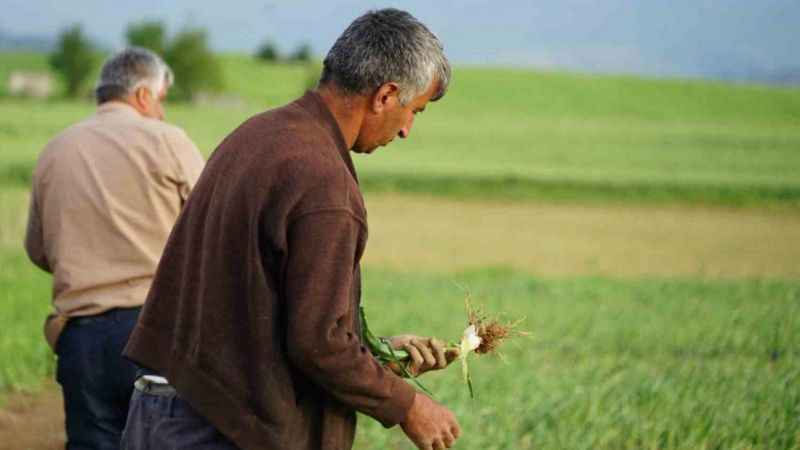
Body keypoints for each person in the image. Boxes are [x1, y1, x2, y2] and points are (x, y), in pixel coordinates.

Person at [121, 8, 459, 450]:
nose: (407, 131)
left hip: (167, 412)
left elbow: (264, 304)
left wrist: (377, 354)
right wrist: (408, 406)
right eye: (412, 110)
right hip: (222, 430)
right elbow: (316, 344)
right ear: (385, 95)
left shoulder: (260, 133)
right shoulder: (324, 183)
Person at [24, 47, 205, 450]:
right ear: (143, 95)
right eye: (161, 100)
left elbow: (38, 251)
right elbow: (216, 232)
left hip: (81, 341)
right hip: (158, 333)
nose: (162, 111)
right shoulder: (169, 141)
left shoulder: (56, 150)